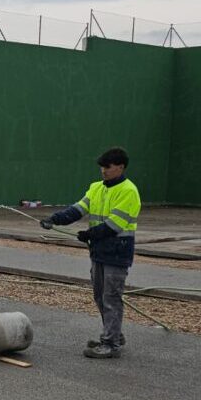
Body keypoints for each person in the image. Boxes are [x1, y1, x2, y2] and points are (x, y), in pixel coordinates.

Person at [41, 147, 141, 359]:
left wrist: (89, 234)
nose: (103, 170)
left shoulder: (129, 191)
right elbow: (78, 209)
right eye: (102, 167)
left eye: (108, 167)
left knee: (111, 297)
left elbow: (114, 225)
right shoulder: (97, 188)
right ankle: (113, 334)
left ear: (121, 167)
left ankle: (111, 344)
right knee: (99, 295)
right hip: (99, 251)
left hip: (117, 251)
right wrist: (55, 219)